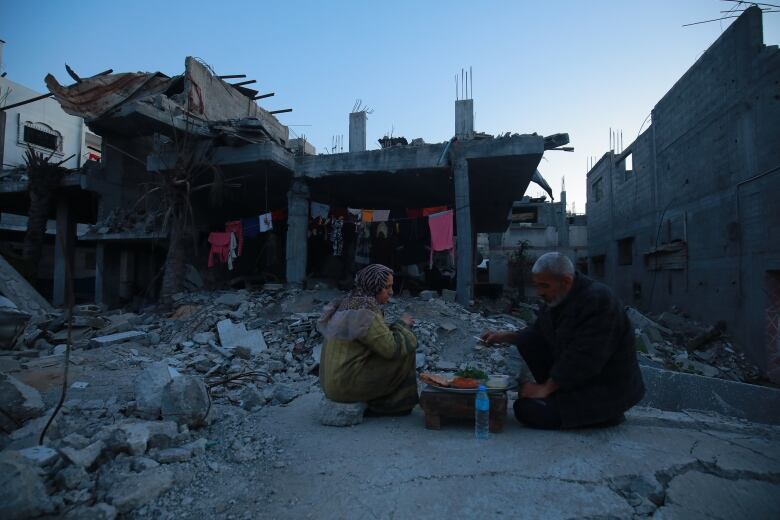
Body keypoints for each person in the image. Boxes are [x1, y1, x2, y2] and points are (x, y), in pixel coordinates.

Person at [481, 252, 645, 429]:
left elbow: (584, 357)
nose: (539, 292)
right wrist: (503, 336)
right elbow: (537, 332)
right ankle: (557, 396)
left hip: (604, 390)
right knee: (527, 339)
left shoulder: (598, 300)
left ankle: (604, 415)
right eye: (537, 286)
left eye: (544, 286)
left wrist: (544, 389)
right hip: (576, 381)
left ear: (566, 281)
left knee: (525, 409)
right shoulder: (557, 298)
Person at [318, 264, 419, 415]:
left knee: (400, 341)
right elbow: (391, 349)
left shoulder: (350, 302)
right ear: (374, 286)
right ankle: (392, 405)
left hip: (332, 384)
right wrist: (402, 324)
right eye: (386, 287)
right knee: (405, 350)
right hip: (344, 386)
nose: (391, 292)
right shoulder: (365, 311)